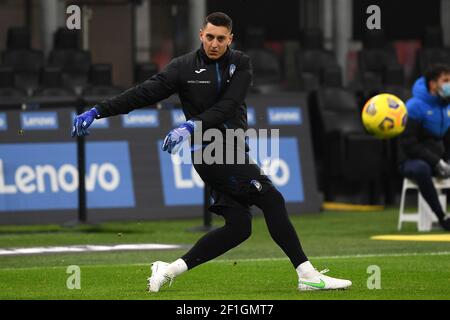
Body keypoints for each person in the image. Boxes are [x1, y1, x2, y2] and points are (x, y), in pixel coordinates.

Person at [71, 12, 351, 291]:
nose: (214, 44)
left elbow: (228, 105)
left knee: (239, 227)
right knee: (272, 199)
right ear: (201, 35)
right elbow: (143, 93)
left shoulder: (240, 64)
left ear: (230, 39)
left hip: (232, 148)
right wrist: (98, 111)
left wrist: (189, 126)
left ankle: (167, 270)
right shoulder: (182, 67)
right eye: (209, 37)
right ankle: (307, 275)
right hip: (211, 150)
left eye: (220, 38)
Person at [399, 63, 450, 231]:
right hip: (411, 160)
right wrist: (437, 162)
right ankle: (442, 217)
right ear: (433, 83)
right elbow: (409, 144)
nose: (449, 84)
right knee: (422, 169)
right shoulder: (414, 107)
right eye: (446, 80)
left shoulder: (446, 107)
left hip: (437, 159)